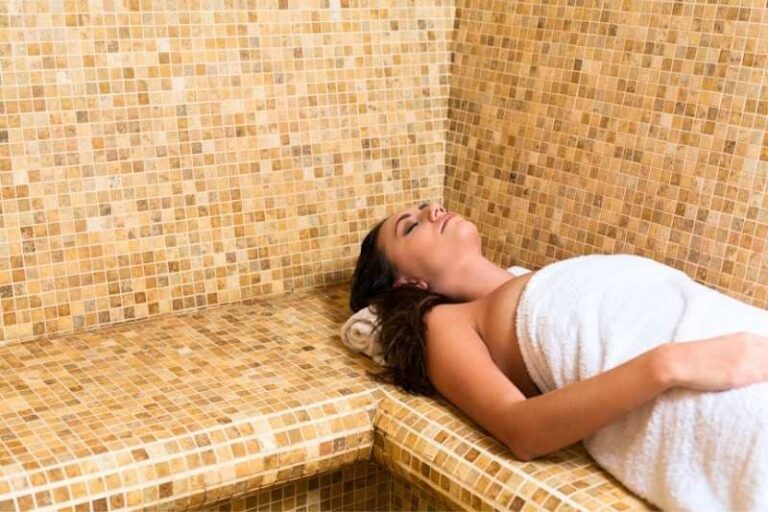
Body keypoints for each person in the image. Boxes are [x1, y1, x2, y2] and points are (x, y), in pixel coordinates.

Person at [349, 200, 768, 463]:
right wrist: (670, 364)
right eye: (412, 226)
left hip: (727, 330)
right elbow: (522, 431)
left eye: (426, 207)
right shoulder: (444, 324)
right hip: (702, 377)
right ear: (407, 284)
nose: (433, 212)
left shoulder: (541, 278)